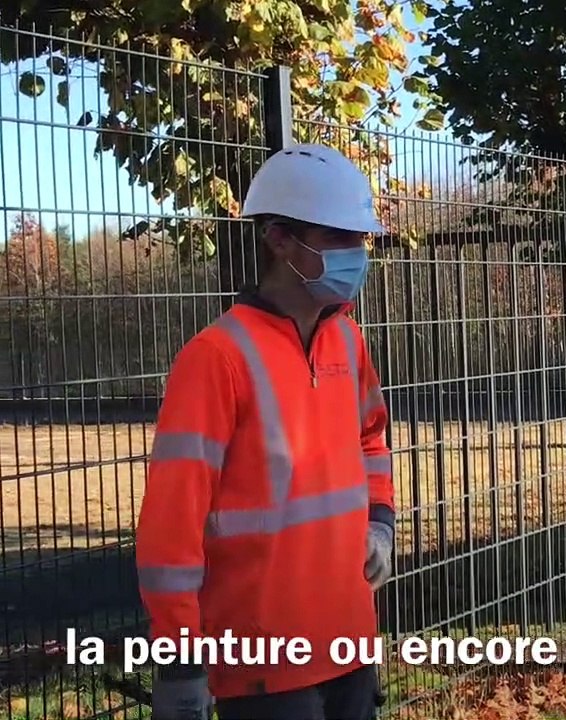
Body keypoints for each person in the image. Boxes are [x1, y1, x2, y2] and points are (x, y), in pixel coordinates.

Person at [134, 143, 396, 720]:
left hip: (349, 643)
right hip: (262, 666)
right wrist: (179, 662)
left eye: (361, 241)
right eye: (338, 240)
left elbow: (371, 440)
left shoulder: (347, 341)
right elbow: (170, 531)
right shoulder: (216, 358)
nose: (357, 255)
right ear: (280, 239)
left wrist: (380, 523)